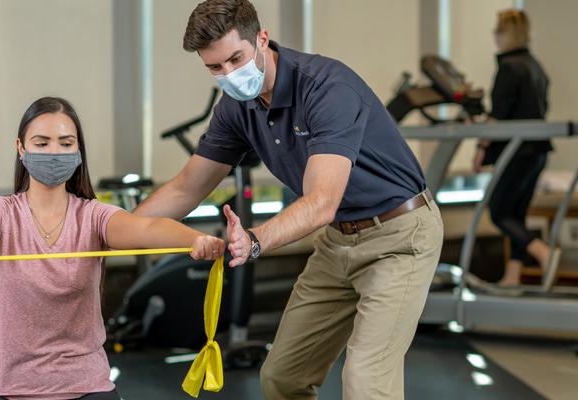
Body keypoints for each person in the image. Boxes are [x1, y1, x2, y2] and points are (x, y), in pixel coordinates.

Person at [133, 1, 444, 399]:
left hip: (399, 238)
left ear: (261, 39)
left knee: (367, 381)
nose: (228, 74)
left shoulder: (327, 88)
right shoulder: (236, 108)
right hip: (337, 242)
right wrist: (111, 231)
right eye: (215, 68)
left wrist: (255, 238)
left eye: (235, 59)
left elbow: (320, 202)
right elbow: (186, 188)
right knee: (282, 377)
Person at [0, 97, 225, 400]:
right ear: (21, 147)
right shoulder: (1, 214)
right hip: (4, 387)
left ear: (78, 152)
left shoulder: (93, 217)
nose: (54, 152)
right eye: (42, 142)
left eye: (66, 143)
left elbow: (146, 227)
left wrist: (193, 240)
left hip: (85, 384)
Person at [473, 9, 552, 287]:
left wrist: (481, 148)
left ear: (507, 33)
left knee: (498, 212)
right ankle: (513, 275)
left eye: (498, 31)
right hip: (539, 151)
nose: (495, 37)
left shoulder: (508, 67)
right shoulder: (535, 66)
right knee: (516, 214)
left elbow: (499, 116)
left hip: (516, 152)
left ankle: (543, 252)